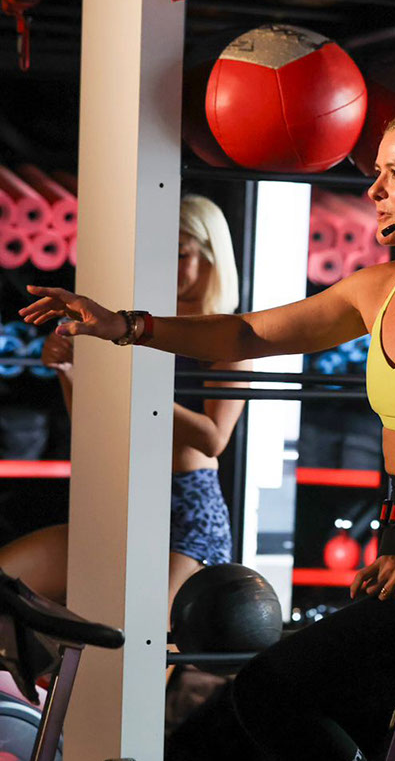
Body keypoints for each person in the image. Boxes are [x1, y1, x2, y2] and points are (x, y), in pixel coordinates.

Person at [20, 104, 395, 761]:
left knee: (268, 692)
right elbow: (245, 333)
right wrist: (122, 325)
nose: (376, 189)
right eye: (376, 172)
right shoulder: (378, 289)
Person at [2, 194, 250, 615]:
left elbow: (213, 439)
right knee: (8, 590)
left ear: (211, 257)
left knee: (141, 645)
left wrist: (137, 391)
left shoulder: (229, 337)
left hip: (185, 517)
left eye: (180, 253)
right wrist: (69, 369)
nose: (167, 265)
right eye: (160, 252)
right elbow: (93, 424)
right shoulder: (139, 328)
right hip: (118, 501)